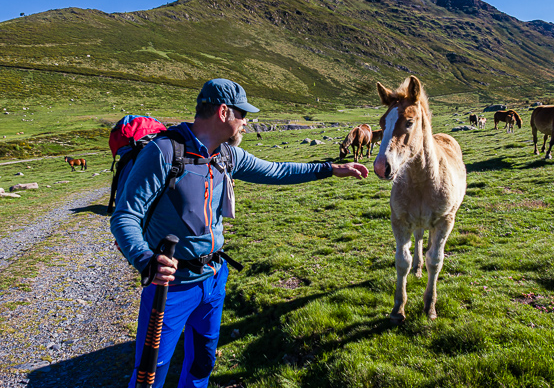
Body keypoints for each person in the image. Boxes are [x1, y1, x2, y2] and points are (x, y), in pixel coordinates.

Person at [111, 78, 368, 388]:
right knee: (149, 375)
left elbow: (276, 171)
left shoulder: (226, 155)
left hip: (214, 278)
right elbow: (125, 215)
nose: (246, 122)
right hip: (171, 289)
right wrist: (145, 259)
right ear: (223, 113)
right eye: (242, 115)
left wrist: (330, 168)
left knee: (201, 364)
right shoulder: (164, 152)